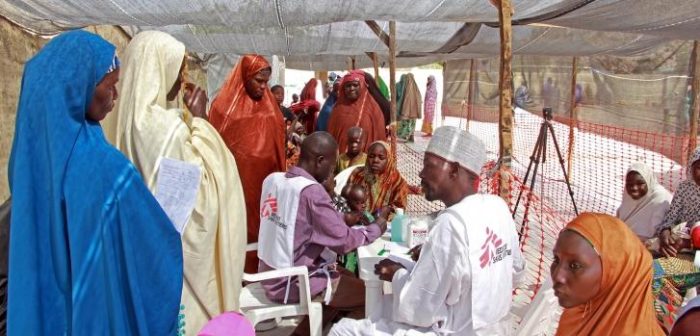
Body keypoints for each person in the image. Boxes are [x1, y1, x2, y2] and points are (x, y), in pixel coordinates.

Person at [7, 30, 183, 335]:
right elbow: (155, 249)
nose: (114, 97)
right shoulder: (104, 168)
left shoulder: (27, 159)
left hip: (42, 310)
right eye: (110, 86)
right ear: (78, 86)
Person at [330, 126, 525, 335]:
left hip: (454, 330)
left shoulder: (452, 224)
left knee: (342, 330)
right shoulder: (498, 207)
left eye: (428, 165)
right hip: (495, 329)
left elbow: (419, 309)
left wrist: (397, 275)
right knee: (382, 308)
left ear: (453, 170)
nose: (421, 173)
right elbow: (516, 273)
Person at [112, 31, 247, 334]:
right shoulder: (164, 128)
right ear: (160, 68)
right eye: (178, 67)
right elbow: (198, 194)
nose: (182, 77)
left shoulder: (121, 119)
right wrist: (201, 122)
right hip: (174, 258)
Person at [257, 132, 391, 335]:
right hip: (290, 282)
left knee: (345, 276)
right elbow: (344, 241)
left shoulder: (273, 179)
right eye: (331, 165)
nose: (332, 171)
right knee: (372, 296)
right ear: (320, 161)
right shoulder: (311, 193)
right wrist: (375, 229)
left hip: (267, 272)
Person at [209, 54, 286, 273]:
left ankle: (264, 277)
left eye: (266, 82)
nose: (263, 87)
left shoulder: (271, 108)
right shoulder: (223, 109)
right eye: (258, 81)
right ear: (245, 77)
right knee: (237, 231)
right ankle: (233, 279)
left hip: (265, 186)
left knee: (264, 231)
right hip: (236, 185)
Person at [552, 213, 664, 336]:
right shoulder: (581, 312)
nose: (558, 276)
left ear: (615, 272)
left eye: (575, 266)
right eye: (556, 259)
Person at [328, 70, 387, 153]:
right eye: (348, 86)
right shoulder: (337, 109)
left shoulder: (374, 109)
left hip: (365, 160)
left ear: (362, 86)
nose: (352, 88)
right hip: (340, 160)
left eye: (355, 85)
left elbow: (379, 136)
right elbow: (331, 135)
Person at [657, 147, 700, 258]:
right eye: (699, 168)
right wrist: (665, 232)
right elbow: (671, 216)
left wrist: (689, 243)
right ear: (691, 167)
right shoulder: (684, 188)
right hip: (680, 240)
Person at [616, 162, 672, 242]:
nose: (634, 188)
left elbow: (666, 232)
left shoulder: (660, 199)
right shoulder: (628, 198)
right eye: (630, 184)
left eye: (640, 183)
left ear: (648, 182)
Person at [348, 141, 409, 213]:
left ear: (388, 159)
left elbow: (400, 209)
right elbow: (347, 196)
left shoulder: (398, 182)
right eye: (371, 156)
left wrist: (382, 213)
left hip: (384, 222)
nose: (375, 160)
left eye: (381, 157)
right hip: (356, 219)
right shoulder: (357, 174)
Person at [396, 73, 423, 142]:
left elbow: (400, 98)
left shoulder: (406, 88)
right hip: (414, 111)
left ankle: (406, 136)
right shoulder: (415, 88)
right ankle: (410, 136)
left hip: (407, 111)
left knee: (406, 123)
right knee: (411, 123)